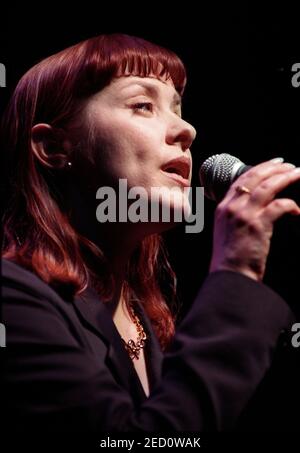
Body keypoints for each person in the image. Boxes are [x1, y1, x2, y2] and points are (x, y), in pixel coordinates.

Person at [1, 33, 300, 433]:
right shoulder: (12, 300)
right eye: (143, 105)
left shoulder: (148, 320)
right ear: (54, 147)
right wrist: (236, 272)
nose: (187, 130)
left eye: (178, 108)